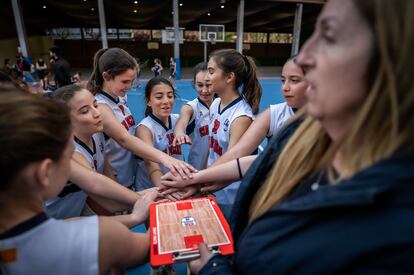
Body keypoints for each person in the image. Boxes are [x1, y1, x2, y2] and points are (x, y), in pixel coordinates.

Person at [185, 0, 414, 274]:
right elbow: (259, 161)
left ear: (391, 57)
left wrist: (214, 269)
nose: (304, 56)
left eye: (329, 36)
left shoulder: (394, 232)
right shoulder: (306, 130)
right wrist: (197, 180)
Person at [0, 89, 159, 274]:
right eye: (68, 156)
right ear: (45, 173)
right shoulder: (97, 238)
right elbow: (149, 246)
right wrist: (138, 214)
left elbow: (71, 221)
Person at [46, 84, 159, 218]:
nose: (97, 113)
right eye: (85, 111)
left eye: (95, 105)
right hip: (50, 224)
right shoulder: (69, 152)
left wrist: (161, 192)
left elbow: (108, 178)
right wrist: (154, 198)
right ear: (65, 121)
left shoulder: (96, 133)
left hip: (75, 212)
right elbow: (97, 186)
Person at [87, 48, 195, 189]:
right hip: (115, 178)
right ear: (106, 76)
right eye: (125, 82)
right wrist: (165, 158)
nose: (130, 87)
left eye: (131, 81)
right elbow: (124, 138)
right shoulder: (101, 106)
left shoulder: (120, 97)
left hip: (128, 174)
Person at [205, 49, 262, 210]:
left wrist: (201, 183)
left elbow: (232, 162)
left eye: (211, 71)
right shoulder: (216, 103)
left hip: (231, 195)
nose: (206, 77)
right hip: (213, 184)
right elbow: (212, 149)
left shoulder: (241, 117)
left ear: (229, 77)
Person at [135, 77, 184, 191]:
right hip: (152, 187)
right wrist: (163, 189)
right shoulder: (144, 128)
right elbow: (150, 163)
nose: (166, 101)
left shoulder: (178, 120)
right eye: (159, 97)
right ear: (149, 101)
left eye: (170, 96)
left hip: (175, 184)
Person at [173, 62, 213, 170]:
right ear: (194, 84)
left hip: (220, 169)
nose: (204, 90)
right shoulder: (191, 108)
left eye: (208, 85)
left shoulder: (221, 105)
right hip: (197, 171)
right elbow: (182, 121)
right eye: (200, 85)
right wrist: (180, 133)